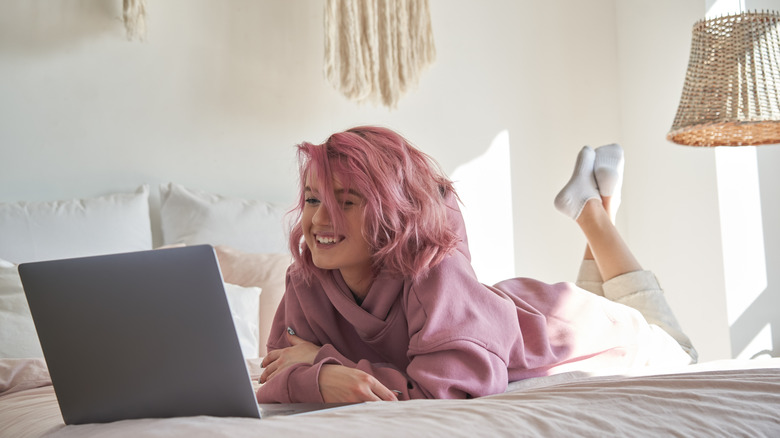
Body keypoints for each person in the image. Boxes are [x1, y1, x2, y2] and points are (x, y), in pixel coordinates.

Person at [256, 126, 696, 403]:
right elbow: (275, 372)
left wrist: (329, 367)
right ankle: (597, 204)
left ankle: (594, 213)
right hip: (489, 314)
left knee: (682, 349)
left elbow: (444, 390)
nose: (319, 220)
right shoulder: (306, 278)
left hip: (571, 330)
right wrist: (322, 375)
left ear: (392, 213)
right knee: (603, 293)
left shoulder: (434, 269)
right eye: (313, 199)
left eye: (346, 202)